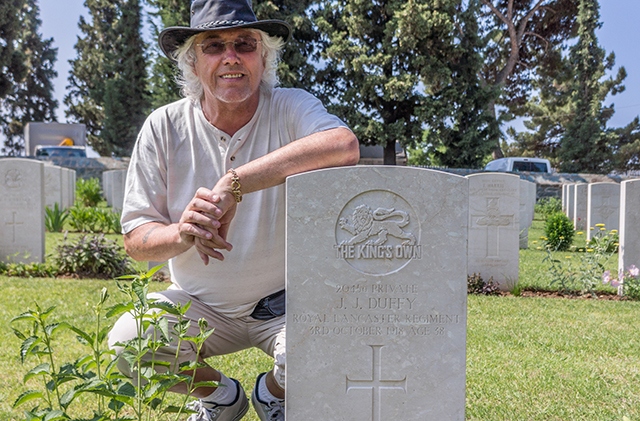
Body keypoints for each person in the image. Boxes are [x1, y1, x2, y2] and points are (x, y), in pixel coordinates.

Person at [107, 0, 359, 420]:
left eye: (244, 43)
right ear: (192, 62)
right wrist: (181, 232)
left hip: (284, 304)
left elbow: (343, 145)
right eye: (213, 46)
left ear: (263, 57)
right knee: (130, 342)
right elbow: (136, 239)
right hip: (198, 304)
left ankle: (272, 393)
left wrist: (233, 184)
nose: (231, 57)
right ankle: (220, 398)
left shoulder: (289, 108)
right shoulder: (164, 126)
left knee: (333, 341)